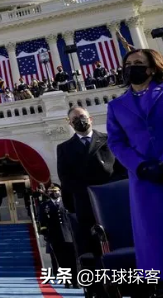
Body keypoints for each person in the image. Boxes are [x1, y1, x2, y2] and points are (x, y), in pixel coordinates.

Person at [106, 48, 163, 284]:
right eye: (127, 63)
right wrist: (142, 167)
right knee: (156, 237)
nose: (131, 67)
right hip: (145, 181)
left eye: (137, 63)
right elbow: (116, 142)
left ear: (152, 68)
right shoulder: (116, 106)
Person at [56, 106, 126, 254]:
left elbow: (122, 170)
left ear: (90, 118)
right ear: (70, 124)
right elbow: (65, 177)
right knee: (93, 248)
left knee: (120, 243)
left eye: (81, 116)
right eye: (74, 119)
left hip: (112, 200)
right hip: (86, 203)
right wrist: (87, 191)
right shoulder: (64, 148)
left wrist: (107, 189)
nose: (79, 121)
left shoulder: (109, 139)